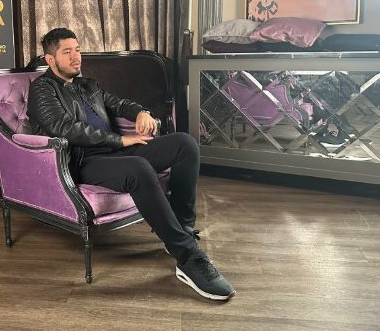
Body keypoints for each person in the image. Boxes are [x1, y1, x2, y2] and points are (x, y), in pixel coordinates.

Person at [28, 28, 235, 301]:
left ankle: (182, 229)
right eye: (67, 52)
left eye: (77, 49)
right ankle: (188, 257)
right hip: (83, 161)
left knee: (185, 144)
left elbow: (119, 103)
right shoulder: (42, 89)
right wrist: (120, 140)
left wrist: (141, 112)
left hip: (114, 150)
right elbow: (64, 128)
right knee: (138, 167)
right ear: (50, 59)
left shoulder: (88, 85)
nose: (76, 57)